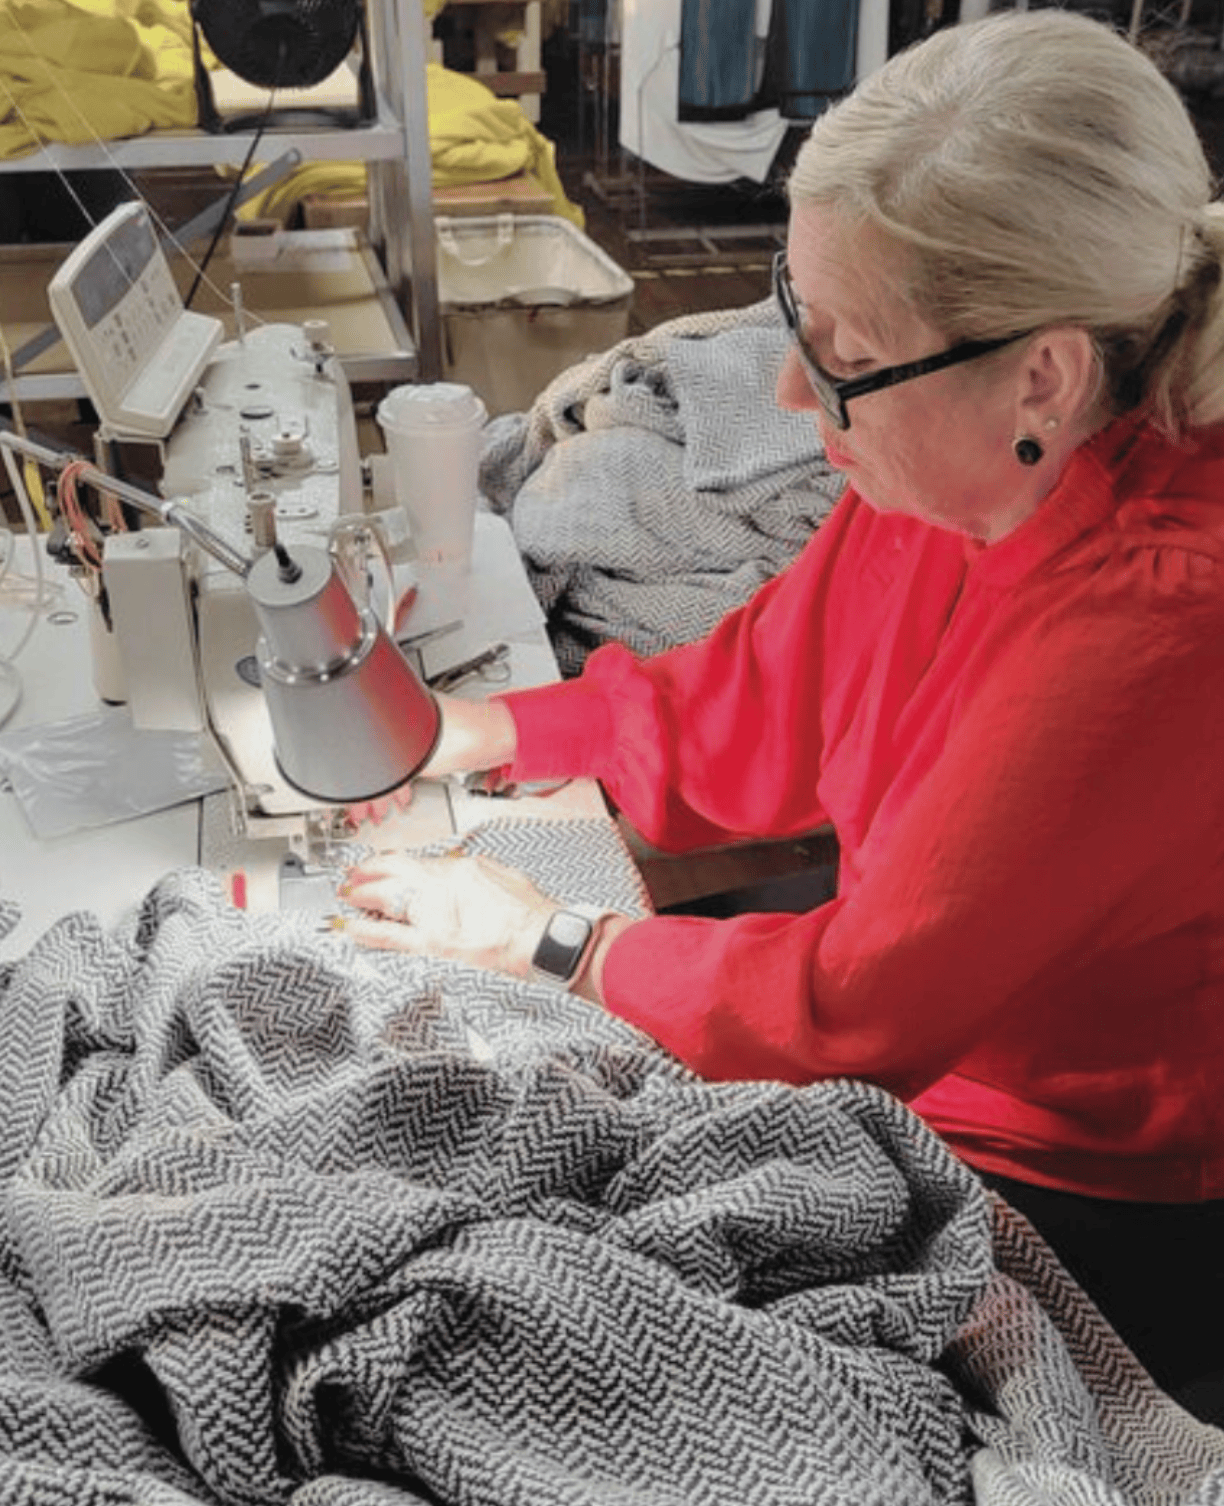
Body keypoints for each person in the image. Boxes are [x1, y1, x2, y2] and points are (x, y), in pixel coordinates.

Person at [342, 10, 1224, 1415]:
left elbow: (860, 1005)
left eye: (839, 350)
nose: (786, 385)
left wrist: (548, 938)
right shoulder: (971, 458)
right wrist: (492, 733)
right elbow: (757, 698)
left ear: (1040, 374)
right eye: (788, 313)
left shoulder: (1163, 617)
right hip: (918, 1052)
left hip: (1088, 1179)